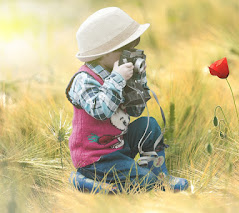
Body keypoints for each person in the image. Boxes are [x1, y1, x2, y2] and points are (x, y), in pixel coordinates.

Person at [66, 7, 188, 193]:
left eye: (133, 45)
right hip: (95, 158)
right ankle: (84, 181)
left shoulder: (117, 72)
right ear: (103, 53)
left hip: (119, 144)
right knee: (146, 183)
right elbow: (100, 111)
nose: (130, 53)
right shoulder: (83, 80)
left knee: (150, 125)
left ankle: (159, 174)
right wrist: (117, 79)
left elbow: (135, 111)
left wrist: (137, 80)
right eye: (125, 49)